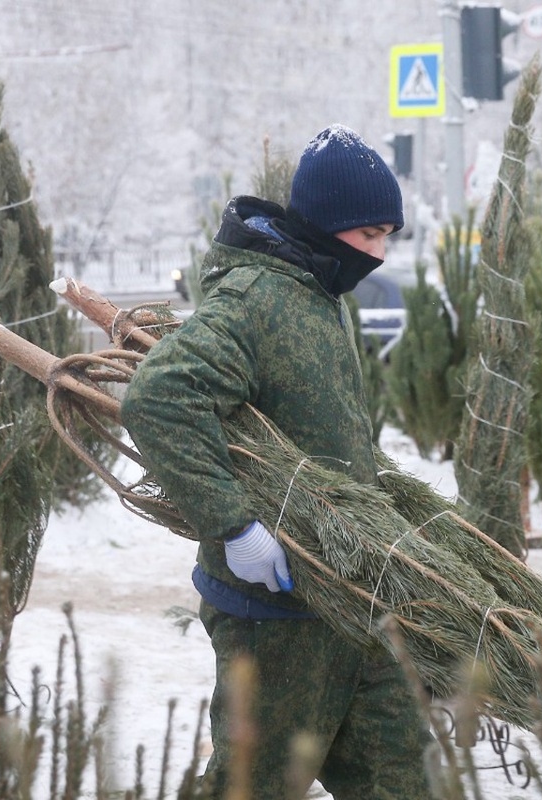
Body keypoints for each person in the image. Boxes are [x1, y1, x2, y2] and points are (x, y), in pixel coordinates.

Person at [121, 125, 434, 799]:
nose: (378, 252)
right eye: (369, 234)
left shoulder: (319, 293)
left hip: (352, 600)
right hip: (276, 617)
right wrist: (234, 526)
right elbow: (158, 398)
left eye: (388, 236)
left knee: (401, 780)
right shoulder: (257, 299)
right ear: (325, 223)